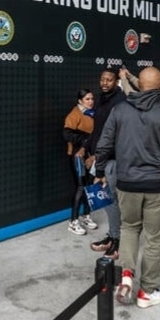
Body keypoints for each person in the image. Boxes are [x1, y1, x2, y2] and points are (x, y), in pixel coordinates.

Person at [95, 67, 160, 309]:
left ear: (138, 84)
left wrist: (100, 172)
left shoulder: (119, 110)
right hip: (158, 185)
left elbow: (104, 144)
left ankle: (127, 276)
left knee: (129, 228)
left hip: (127, 184)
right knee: (154, 239)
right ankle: (147, 292)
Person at [85, 68, 126, 259]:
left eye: (109, 80)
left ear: (116, 81)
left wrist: (97, 157)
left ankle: (116, 242)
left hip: (111, 160)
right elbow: (98, 130)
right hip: (101, 158)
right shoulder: (103, 99)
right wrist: (86, 148)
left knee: (111, 201)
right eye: (102, 79)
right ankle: (112, 236)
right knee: (108, 201)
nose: (104, 82)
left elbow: (113, 137)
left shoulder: (119, 102)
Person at [63, 89, 100, 235]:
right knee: (80, 187)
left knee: (89, 186)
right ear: (80, 101)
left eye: (91, 98)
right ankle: (73, 222)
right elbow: (66, 133)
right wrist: (85, 140)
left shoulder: (93, 113)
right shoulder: (74, 114)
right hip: (78, 155)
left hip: (91, 156)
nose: (90, 101)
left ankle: (86, 216)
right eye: (87, 99)